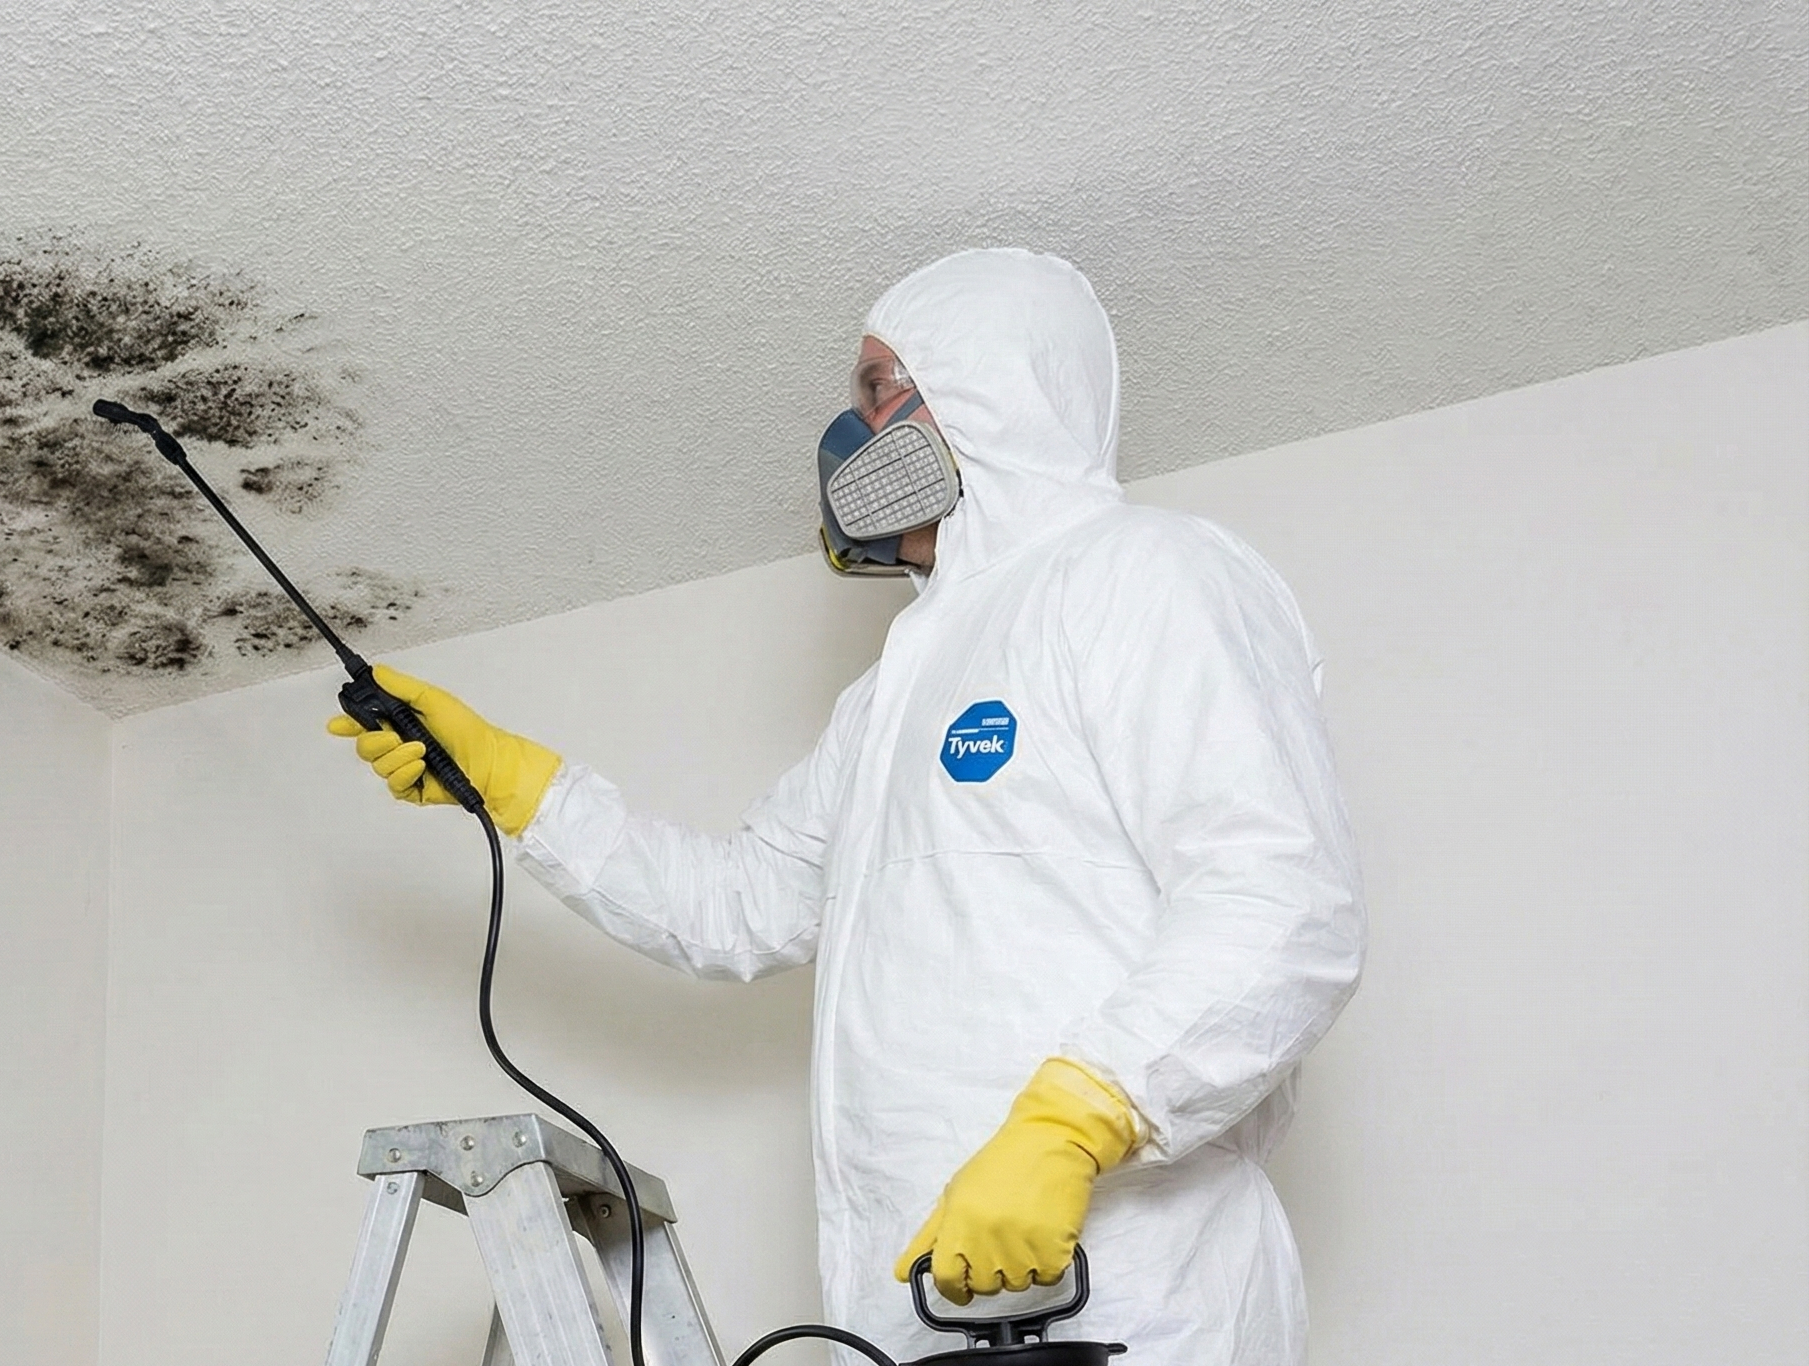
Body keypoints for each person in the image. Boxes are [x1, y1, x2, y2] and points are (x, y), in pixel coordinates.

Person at [326, 248, 1364, 1365]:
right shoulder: (890, 695)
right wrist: (516, 787)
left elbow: (1278, 901)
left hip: (1134, 1299)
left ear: (986, 391)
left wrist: (1075, 1122)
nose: (849, 432)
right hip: (904, 1307)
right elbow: (736, 905)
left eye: (875, 389)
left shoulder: (1138, 574)